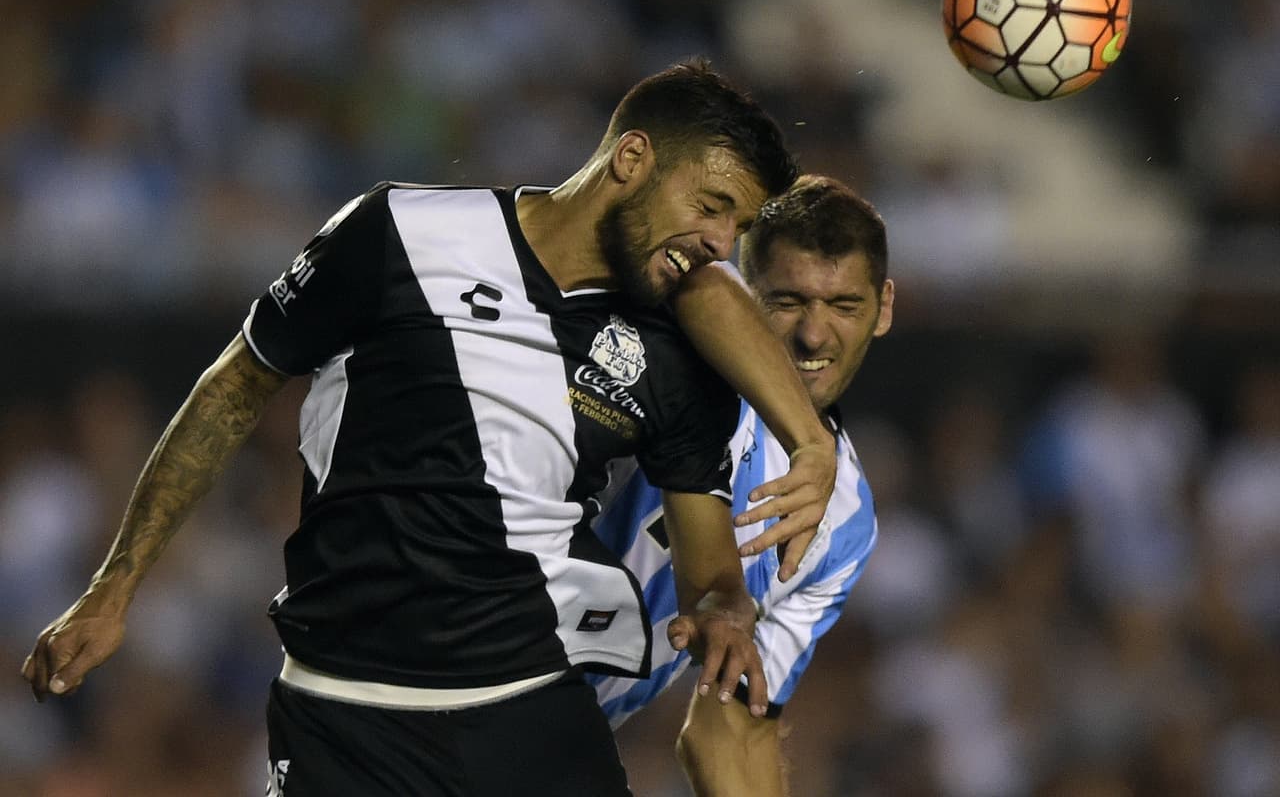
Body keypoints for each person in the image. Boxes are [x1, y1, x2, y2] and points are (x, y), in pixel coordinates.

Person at [23, 61, 839, 796]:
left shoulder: (678, 353)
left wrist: (727, 609)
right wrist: (112, 589)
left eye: (738, 228)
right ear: (631, 159)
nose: (720, 243)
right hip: (344, 716)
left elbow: (710, 570)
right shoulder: (402, 231)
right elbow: (235, 387)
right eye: (712, 206)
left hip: (530, 710)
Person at [590, 174, 894, 796]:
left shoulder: (847, 522)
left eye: (844, 306)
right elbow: (702, 287)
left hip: (538, 738)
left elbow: (728, 730)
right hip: (443, 669)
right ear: (745, 290)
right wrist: (809, 441)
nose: (814, 335)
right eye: (786, 302)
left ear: (884, 307)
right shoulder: (684, 362)